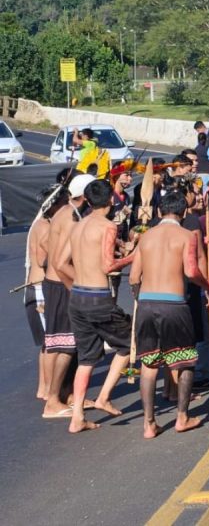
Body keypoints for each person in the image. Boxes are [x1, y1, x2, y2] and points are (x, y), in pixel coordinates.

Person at [129, 191, 209, 438]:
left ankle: (148, 423)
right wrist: (207, 286)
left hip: (146, 302)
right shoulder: (187, 236)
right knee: (185, 360)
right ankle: (182, 417)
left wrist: (139, 297)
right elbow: (191, 271)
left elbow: (134, 277)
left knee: (149, 362)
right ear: (184, 212)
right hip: (174, 304)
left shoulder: (146, 238)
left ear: (158, 212)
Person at [56, 180, 135, 432]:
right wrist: (135, 255)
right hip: (98, 297)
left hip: (78, 297)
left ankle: (77, 416)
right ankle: (103, 397)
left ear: (88, 201)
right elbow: (107, 266)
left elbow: (59, 263)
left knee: (87, 358)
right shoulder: (107, 226)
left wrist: (77, 283)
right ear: (111, 200)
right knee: (128, 344)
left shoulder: (78, 226)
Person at [41, 173, 96, 419]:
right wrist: (76, 287)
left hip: (54, 283)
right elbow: (62, 261)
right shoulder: (72, 216)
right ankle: (52, 400)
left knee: (64, 344)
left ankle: (67, 394)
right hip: (62, 285)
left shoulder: (63, 212)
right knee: (65, 344)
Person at [27, 185, 68, 399]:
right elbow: (46, 258)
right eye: (63, 204)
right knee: (51, 342)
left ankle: (45, 387)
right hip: (41, 288)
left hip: (39, 287)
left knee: (47, 342)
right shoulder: (44, 227)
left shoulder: (42, 224)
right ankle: (47, 388)